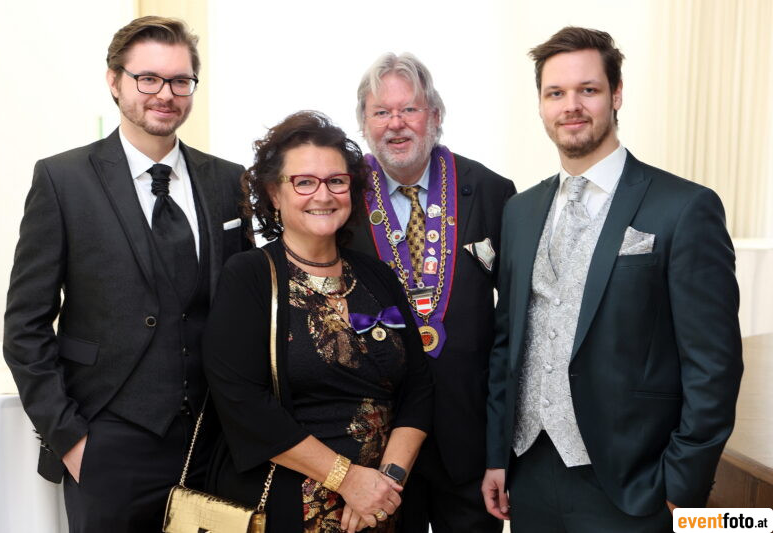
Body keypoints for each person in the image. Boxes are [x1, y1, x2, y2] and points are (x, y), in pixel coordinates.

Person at [483, 26, 743, 532]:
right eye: (555, 93)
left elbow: (714, 364)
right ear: (541, 105)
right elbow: (507, 345)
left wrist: (682, 483)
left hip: (635, 484)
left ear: (616, 94)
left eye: (588, 89)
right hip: (530, 474)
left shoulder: (685, 207)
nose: (571, 106)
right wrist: (497, 455)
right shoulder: (519, 211)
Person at [2, 16, 253, 532]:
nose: (165, 94)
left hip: (214, 442)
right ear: (115, 81)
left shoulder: (229, 181)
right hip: (107, 443)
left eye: (180, 81)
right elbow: (25, 326)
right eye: (148, 78)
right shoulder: (62, 180)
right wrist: (70, 439)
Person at [202, 110, 433, 533]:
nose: (323, 195)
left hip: (387, 506)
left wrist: (386, 484)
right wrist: (349, 480)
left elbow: (419, 387)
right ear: (274, 193)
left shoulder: (377, 276)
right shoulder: (250, 276)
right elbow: (242, 402)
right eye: (304, 182)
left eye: (336, 181)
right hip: (291, 507)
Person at [347, 52, 516, 532]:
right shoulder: (342, 197)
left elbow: (514, 323)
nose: (395, 124)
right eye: (381, 112)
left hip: (469, 437)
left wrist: (503, 447)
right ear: (364, 123)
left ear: (435, 116)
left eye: (409, 109)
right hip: (377, 443)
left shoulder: (491, 191)